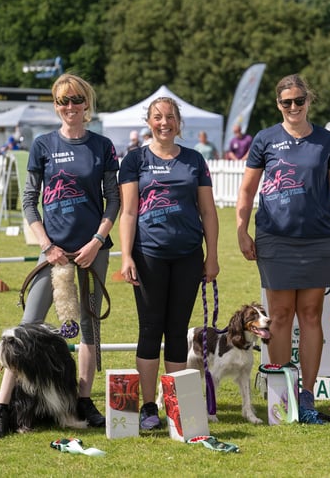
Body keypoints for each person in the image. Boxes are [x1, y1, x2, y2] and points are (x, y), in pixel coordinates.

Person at [0, 73, 121, 437]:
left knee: (91, 327)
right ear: (55, 105)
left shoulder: (103, 146)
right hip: (53, 251)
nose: (70, 107)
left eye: (77, 99)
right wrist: (47, 246)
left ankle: (82, 399)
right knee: (28, 326)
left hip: (93, 249)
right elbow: (29, 201)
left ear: (87, 103)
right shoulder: (42, 145)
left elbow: (114, 200)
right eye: (63, 101)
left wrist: (96, 241)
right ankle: (1, 406)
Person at [236, 74, 330, 424]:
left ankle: (308, 398)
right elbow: (246, 191)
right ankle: (280, 396)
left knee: (312, 316)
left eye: (299, 101)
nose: (294, 107)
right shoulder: (265, 139)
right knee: (280, 315)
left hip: (318, 239)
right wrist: (241, 230)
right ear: (278, 105)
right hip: (275, 238)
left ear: (308, 101)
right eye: (287, 102)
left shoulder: (327, 141)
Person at [118, 96, 219, 431]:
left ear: (179, 123)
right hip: (149, 256)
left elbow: (208, 211)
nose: (164, 123)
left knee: (177, 332)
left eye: (170, 117)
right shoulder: (135, 160)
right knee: (150, 330)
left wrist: (212, 255)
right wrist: (127, 254)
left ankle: (175, 406)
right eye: (158, 117)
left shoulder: (193, 160)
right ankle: (149, 407)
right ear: (149, 122)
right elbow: (129, 211)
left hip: (188, 256)